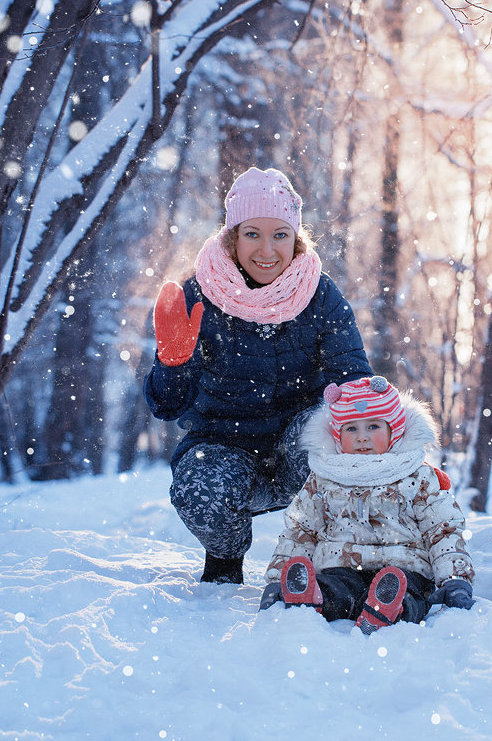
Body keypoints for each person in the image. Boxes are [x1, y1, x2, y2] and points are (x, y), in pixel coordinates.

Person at [144, 167, 372, 584]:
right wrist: (172, 365)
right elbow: (166, 405)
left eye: (280, 234)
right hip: (220, 444)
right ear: (232, 236)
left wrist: (394, 449)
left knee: (342, 432)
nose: (267, 249)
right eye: (252, 234)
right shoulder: (199, 295)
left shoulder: (320, 295)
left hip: (297, 450)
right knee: (200, 491)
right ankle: (225, 557)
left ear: (296, 238)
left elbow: (355, 385)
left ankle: (331, 568)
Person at [258, 375, 475, 633]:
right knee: (335, 589)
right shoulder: (324, 478)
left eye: (373, 427)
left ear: (394, 430)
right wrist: (275, 580)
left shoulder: (417, 476)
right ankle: (310, 599)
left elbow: (443, 529)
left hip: (404, 568)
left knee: (411, 592)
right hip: (341, 566)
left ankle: (391, 610)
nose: (362, 437)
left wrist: (455, 580)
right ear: (337, 436)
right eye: (351, 428)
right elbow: (300, 530)